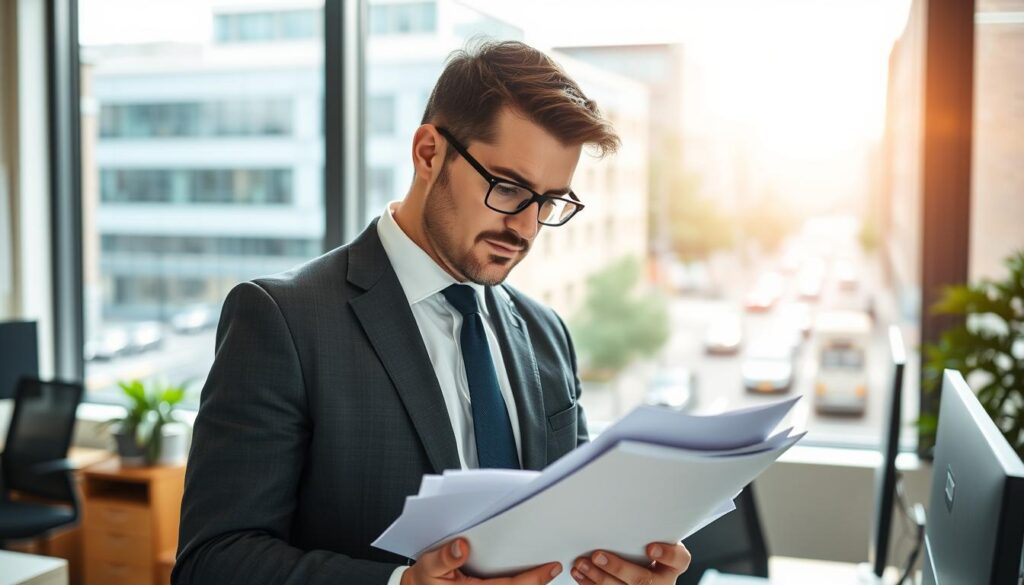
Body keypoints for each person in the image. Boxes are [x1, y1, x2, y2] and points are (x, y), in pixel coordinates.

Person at [172, 39, 691, 585]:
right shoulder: (283, 320)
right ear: (428, 153)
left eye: (550, 202)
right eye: (509, 188)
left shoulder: (546, 334)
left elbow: (572, 528)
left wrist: (622, 569)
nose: (526, 227)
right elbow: (214, 561)